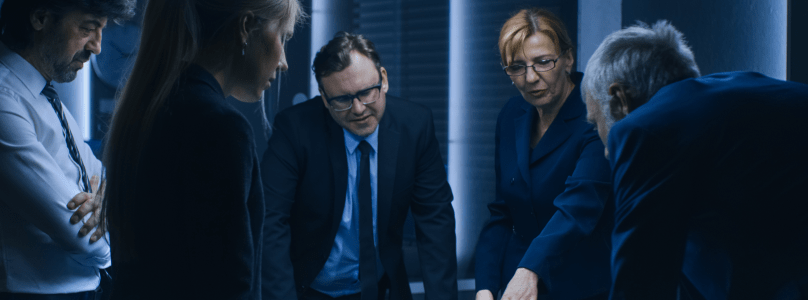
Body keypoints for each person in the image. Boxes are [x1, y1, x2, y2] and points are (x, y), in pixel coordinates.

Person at [582, 21, 808, 299]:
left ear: (620, 101)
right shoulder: (741, 98)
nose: (605, 151)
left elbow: (640, 282)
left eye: (596, 125)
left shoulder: (646, 129)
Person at [98, 0, 305, 299]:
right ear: (246, 27)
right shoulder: (221, 129)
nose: (284, 61)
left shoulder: (149, 111)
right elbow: (227, 285)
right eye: (283, 37)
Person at [0, 0, 134, 299]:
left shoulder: (39, 95)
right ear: (40, 17)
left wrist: (108, 203)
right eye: (88, 28)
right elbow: (78, 233)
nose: (97, 48)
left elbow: (104, 182)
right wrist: (120, 242)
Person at [262, 32, 457, 300]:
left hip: (382, 289)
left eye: (367, 92)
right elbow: (270, 221)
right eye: (342, 100)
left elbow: (436, 222)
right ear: (323, 96)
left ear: (384, 80)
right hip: (309, 290)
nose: (358, 109)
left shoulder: (415, 126)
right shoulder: (294, 129)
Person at [474, 8, 612, 300]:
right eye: (517, 67)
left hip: (582, 286)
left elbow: (578, 207)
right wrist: (484, 287)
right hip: (520, 289)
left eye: (543, 62)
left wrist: (529, 270)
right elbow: (502, 211)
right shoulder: (511, 114)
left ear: (568, 59)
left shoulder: (595, 113)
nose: (531, 77)